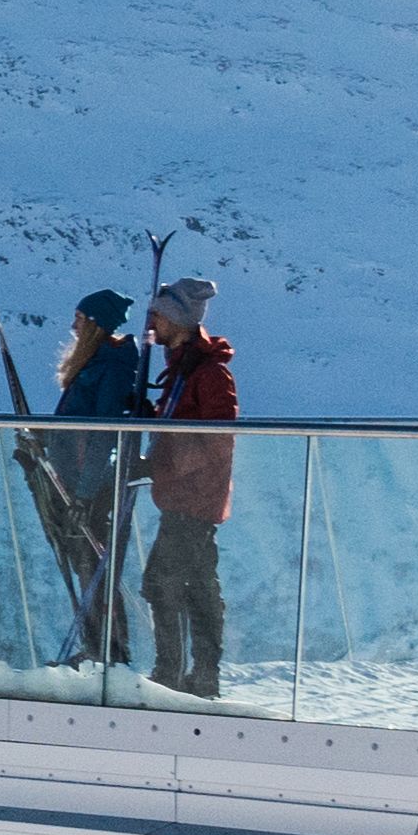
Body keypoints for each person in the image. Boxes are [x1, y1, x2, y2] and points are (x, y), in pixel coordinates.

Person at [139, 275, 244, 698]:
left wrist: (165, 464)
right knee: (199, 587)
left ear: (177, 320)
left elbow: (218, 439)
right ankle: (201, 678)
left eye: (158, 315)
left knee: (161, 582)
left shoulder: (208, 374)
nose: (151, 324)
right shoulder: (182, 370)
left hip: (193, 498)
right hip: (185, 496)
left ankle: (171, 673)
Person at [38, 289, 150, 672]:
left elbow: (103, 433)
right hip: (80, 482)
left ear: (96, 325)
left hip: (94, 486)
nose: (73, 325)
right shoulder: (99, 363)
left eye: (80, 319)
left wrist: (84, 494)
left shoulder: (110, 367)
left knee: (93, 564)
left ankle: (108, 650)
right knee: (86, 563)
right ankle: (99, 646)